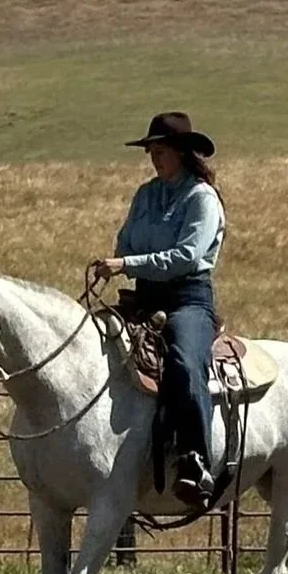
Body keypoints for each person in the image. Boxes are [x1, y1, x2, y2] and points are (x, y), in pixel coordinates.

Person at [89, 112, 227, 508]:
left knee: (184, 362)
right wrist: (124, 260)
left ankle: (196, 460)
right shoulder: (146, 195)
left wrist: (128, 265)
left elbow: (186, 256)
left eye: (161, 150)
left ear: (182, 153)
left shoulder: (203, 199)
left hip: (187, 299)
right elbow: (126, 239)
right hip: (144, 297)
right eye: (151, 150)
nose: (154, 157)